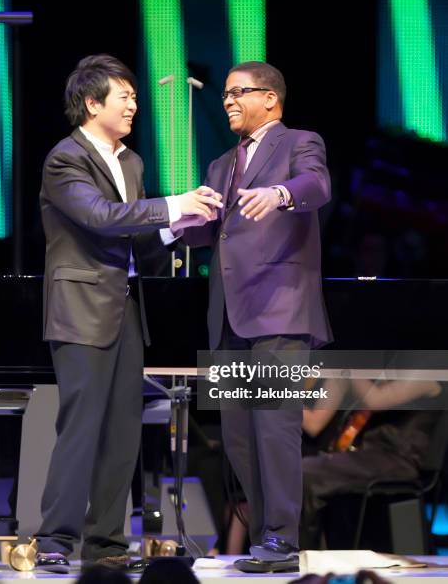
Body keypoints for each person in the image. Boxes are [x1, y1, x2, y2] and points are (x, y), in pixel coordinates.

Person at [34, 54, 222, 573]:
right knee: (81, 425)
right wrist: (173, 204)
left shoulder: (132, 162)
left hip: (126, 310)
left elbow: (135, 234)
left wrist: (176, 226)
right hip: (80, 309)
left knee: (122, 431)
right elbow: (98, 217)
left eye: (135, 97)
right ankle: (55, 539)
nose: (135, 105)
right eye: (125, 97)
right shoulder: (64, 159)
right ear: (92, 104)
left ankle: (107, 544)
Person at [182, 61, 332, 572]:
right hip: (228, 317)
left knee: (275, 430)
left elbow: (317, 184)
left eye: (237, 92)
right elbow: (208, 235)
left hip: (279, 311)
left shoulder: (299, 143)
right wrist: (182, 216)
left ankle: (283, 541)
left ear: (270, 98)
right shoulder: (221, 164)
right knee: (240, 437)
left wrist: (281, 193)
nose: (227, 101)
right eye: (224, 94)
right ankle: (267, 540)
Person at [301, 377, 445, 550]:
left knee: (305, 473)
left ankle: (304, 555)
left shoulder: (427, 372)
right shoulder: (376, 370)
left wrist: (348, 364)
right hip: (364, 454)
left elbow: (375, 400)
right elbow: (314, 423)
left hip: (397, 458)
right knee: (296, 467)